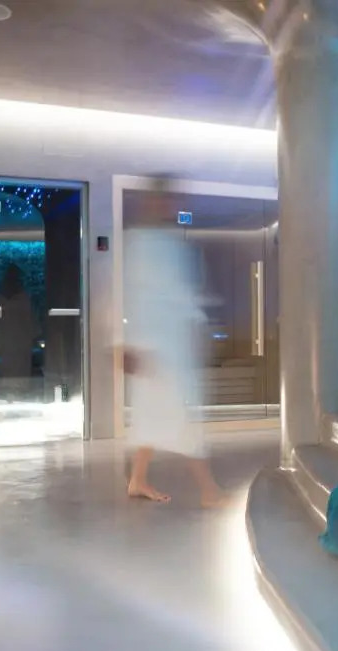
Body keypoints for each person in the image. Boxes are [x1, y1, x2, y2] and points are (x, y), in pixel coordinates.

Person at [121, 179, 225, 507]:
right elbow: (126, 295)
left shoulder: (173, 247)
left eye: (170, 200)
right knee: (180, 416)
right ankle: (209, 491)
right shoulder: (138, 244)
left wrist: (198, 327)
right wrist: (125, 344)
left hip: (170, 345)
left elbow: (185, 298)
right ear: (151, 202)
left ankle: (138, 480)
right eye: (163, 199)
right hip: (154, 348)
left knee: (155, 417)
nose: (167, 206)